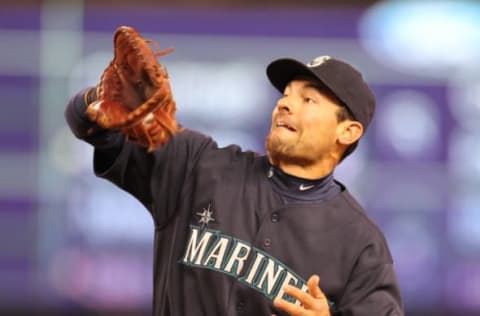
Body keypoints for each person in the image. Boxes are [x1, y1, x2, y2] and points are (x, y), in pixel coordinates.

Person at [65, 54, 404, 316]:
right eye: (286, 95)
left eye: (308, 100)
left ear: (347, 132)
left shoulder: (362, 245)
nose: (284, 104)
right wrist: (96, 102)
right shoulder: (196, 165)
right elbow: (94, 128)